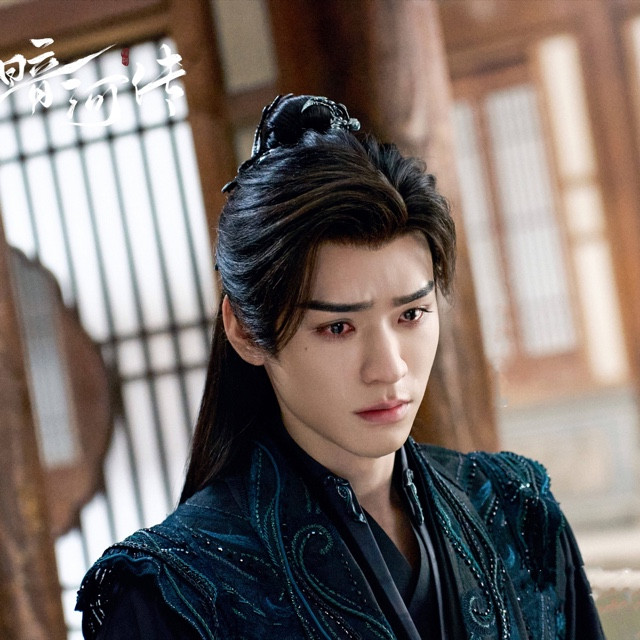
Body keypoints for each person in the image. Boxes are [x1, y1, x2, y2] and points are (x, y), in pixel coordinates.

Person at [76, 94, 604, 640]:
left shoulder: (519, 511)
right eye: (337, 327)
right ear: (246, 331)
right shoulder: (169, 590)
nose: (389, 368)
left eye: (411, 314)